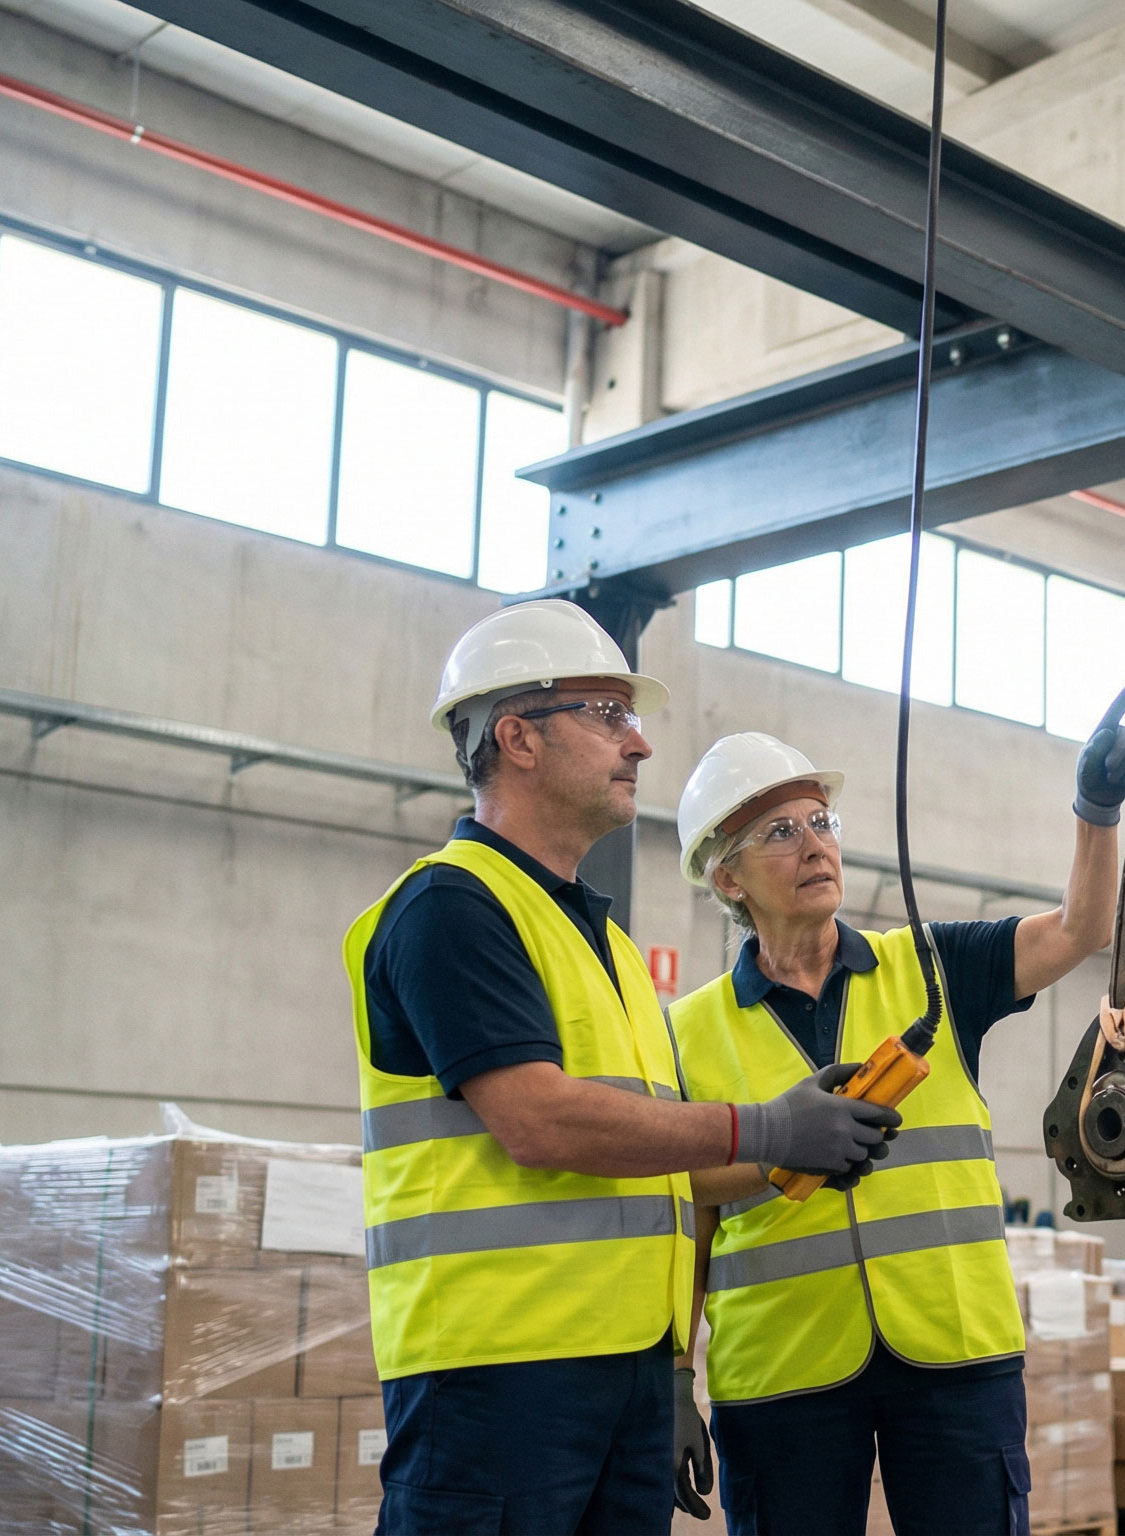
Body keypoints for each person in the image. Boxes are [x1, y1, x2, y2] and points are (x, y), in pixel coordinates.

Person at [344, 600, 902, 1532]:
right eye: (608, 715)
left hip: (626, 1370)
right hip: (498, 1373)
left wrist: (789, 1161)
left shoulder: (604, 943)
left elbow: (658, 1165)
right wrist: (771, 1128)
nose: (639, 744)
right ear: (517, 738)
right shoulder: (450, 907)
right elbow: (538, 1121)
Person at [670, 711, 1125, 1536]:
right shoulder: (687, 1032)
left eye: (822, 821)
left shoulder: (934, 968)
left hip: (954, 1352)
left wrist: (1096, 812)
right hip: (783, 1370)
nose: (815, 846)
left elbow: (1081, 929)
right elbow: (683, 1211)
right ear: (727, 878)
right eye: (781, 831)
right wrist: (675, 1373)